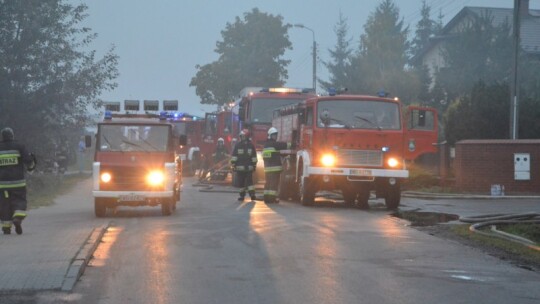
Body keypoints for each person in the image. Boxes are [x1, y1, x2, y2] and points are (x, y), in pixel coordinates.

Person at [0, 127, 36, 235]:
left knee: (4, 205)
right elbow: (29, 161)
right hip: (18, 183)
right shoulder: (19, 146)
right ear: (12, 136)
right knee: (19, 200)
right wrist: (31, 165)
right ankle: (17, 218)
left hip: (2, 185)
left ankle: (6, 227)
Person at [262, 127, 288, 204]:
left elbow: (274, 154)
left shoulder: (265, 145)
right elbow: (284, 145)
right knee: (274, 184)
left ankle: (266, 198)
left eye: (276, 135)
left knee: (268, 183)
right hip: (274, 169)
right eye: (274, 135)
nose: (275, 137)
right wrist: (293, 144)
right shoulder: (274, 144)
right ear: (270, 135)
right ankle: (272, 199)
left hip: (267, 169)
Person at [230, 130, 257, 202]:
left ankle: (252, 195)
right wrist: (233, 164)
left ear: (247, 137)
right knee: (241, 183)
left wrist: (254, 165)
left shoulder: (251, 145)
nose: (242, 137)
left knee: (249, 182)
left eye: (243, 136)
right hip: (240, 168)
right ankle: (242, 196)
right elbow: (234, 156)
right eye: (241, 136)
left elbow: (254, 156)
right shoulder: (238, 145)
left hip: (248, 168)